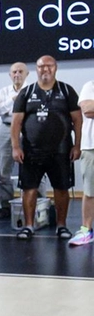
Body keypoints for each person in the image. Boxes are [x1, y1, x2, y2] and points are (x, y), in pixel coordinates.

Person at [11, 55, 81, 241]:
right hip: (31, 152)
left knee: (61, 189)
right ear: (36, 69)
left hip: (61, 151)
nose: (45, 70)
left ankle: (61, 225)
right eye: (42, 66)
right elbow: (16, 122)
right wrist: (15, 147)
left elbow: (77, 120)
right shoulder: (26, 92)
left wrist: (77, 145)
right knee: (29, 189)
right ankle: (28, 226)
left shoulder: (66, 91)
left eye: (49, 66)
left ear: (55, 68)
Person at [0, 63, 29, 219]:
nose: (17, 74)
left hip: (28, 128)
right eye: (14, 72)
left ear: (27, 74)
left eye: (20, 72)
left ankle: (39, 203)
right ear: (10, 75)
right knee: (3, 169)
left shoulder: (32, 90)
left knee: (34, 167)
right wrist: (11, 101)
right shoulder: (4, 92)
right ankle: (6, 206)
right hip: (6, 128)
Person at [72, 79, 94, 247]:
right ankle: (86, 230)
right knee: (90, 190)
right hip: (91, 146)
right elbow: (88, 110)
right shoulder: (90, 85)